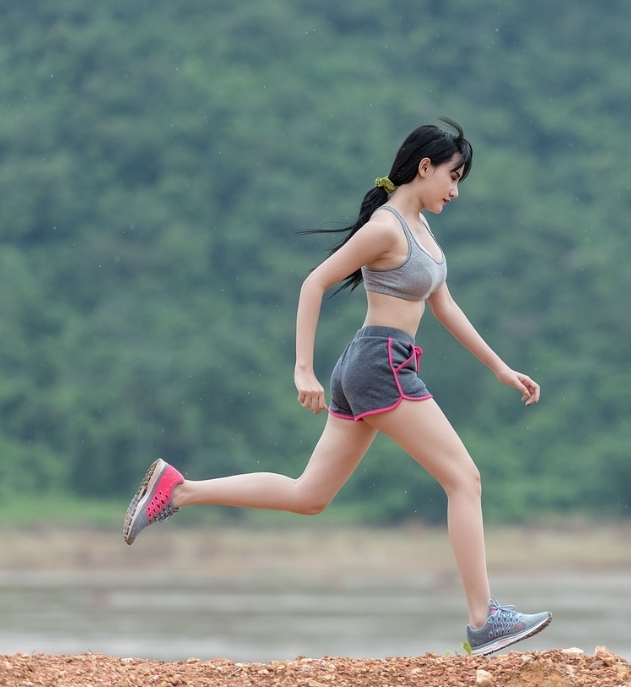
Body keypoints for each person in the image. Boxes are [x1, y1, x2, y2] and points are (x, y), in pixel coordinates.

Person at [123, 118, 552, 656]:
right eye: (452, 176)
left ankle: (179, 490)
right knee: (465, 480)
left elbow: (443, 304)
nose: (456, 189)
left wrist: (499, 367)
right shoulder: (387, 227)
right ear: (425, 168)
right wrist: (302, 369)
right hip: (381, 366)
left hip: (368, 366)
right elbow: (314, 282)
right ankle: (484, 620)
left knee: (310, 496)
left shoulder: (420, 229)